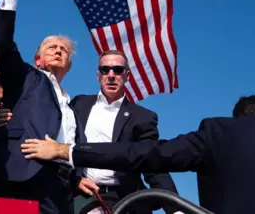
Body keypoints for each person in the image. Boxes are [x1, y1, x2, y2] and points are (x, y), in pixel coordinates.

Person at [21, 95, 255, 213]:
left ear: (238, 120)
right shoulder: (80, 103)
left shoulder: (219, 132)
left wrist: (67, 150)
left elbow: (148, 154)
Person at [0, 0, 86, 213]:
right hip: (25, 179)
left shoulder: (70, 105)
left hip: (63, 190)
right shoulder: (27, 78)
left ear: (69, 65)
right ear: (37, 60)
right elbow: (1, 43)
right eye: (51, 47)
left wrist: (79, 177)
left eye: (63, 50)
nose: (57, 50)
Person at [70, 50, 179, 214]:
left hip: (126, 199)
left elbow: (153, 162)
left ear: (127, 76)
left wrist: (176, 209)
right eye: (105, 70)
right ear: (98, 75)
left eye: (118, 70)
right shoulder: (79, 104)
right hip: (84, 196)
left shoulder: (143, 117)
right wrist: (75, 180)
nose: (111, 75)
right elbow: (62, 142)